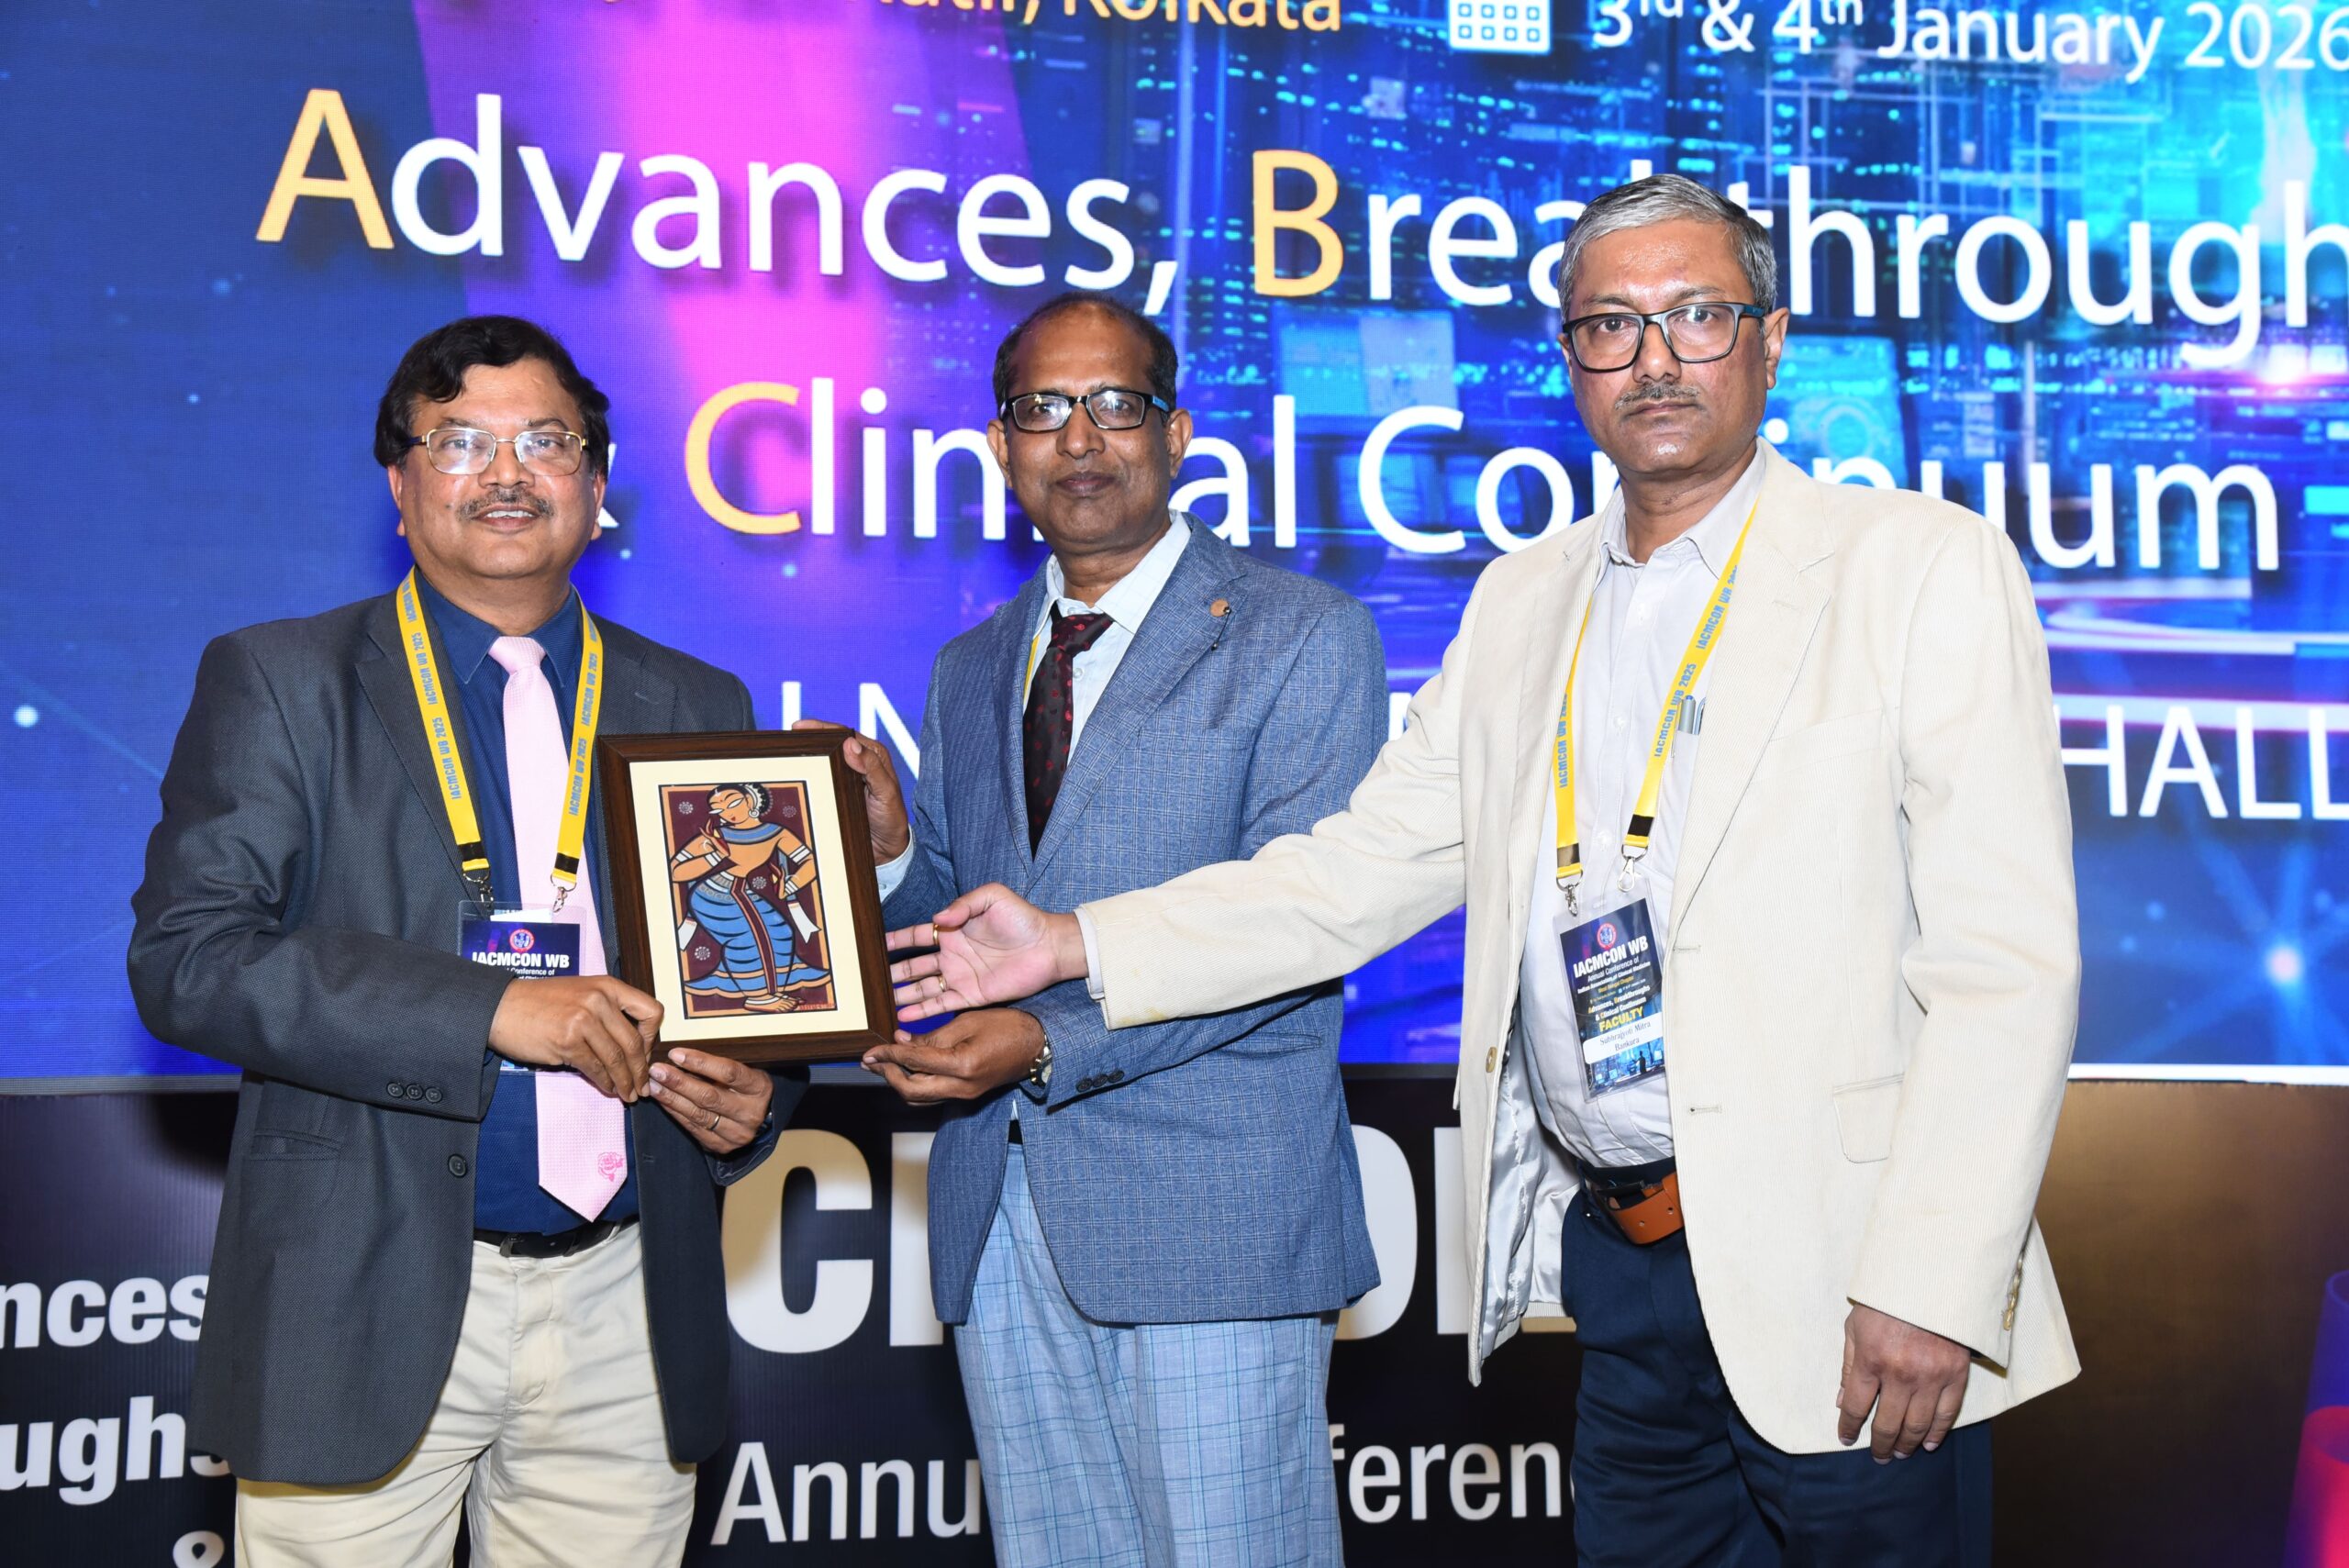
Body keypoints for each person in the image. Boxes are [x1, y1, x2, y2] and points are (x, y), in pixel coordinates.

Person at [886, 178, 2082, 1566]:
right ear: (1571, 360)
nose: (1654, 359)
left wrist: (1931, 1280)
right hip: (1624, 1267)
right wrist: (1072, 941)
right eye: (1611, 325)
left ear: (1770, 340)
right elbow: (1349, 873)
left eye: (1697, 316)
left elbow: (2005, 967)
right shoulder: (1526, 598)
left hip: (1849, 1277)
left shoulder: (1919, 568)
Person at [127, 316, 902, 1565]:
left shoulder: (697, 701)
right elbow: (191, 959)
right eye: (460, 442)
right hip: (363, 1290)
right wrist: (488, 1008)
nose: (506, 473)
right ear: (400, 484)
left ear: (597, 485)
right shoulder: (282, 680)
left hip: (629, 1297)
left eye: (546, 441)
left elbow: (753, 988)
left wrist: (758, 1100)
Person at [856, 292, 1389, 1568]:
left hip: (1214, 1217)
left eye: (1115, 404)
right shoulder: (972, 663)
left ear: (1178, 431)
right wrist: (889, 855)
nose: (1080, 438)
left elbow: (1297, 932)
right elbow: (969, 928)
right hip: (1002, 1210)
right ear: (1001, 445)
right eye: (1043, 409)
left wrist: (1046, 1041)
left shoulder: (1305, 637)